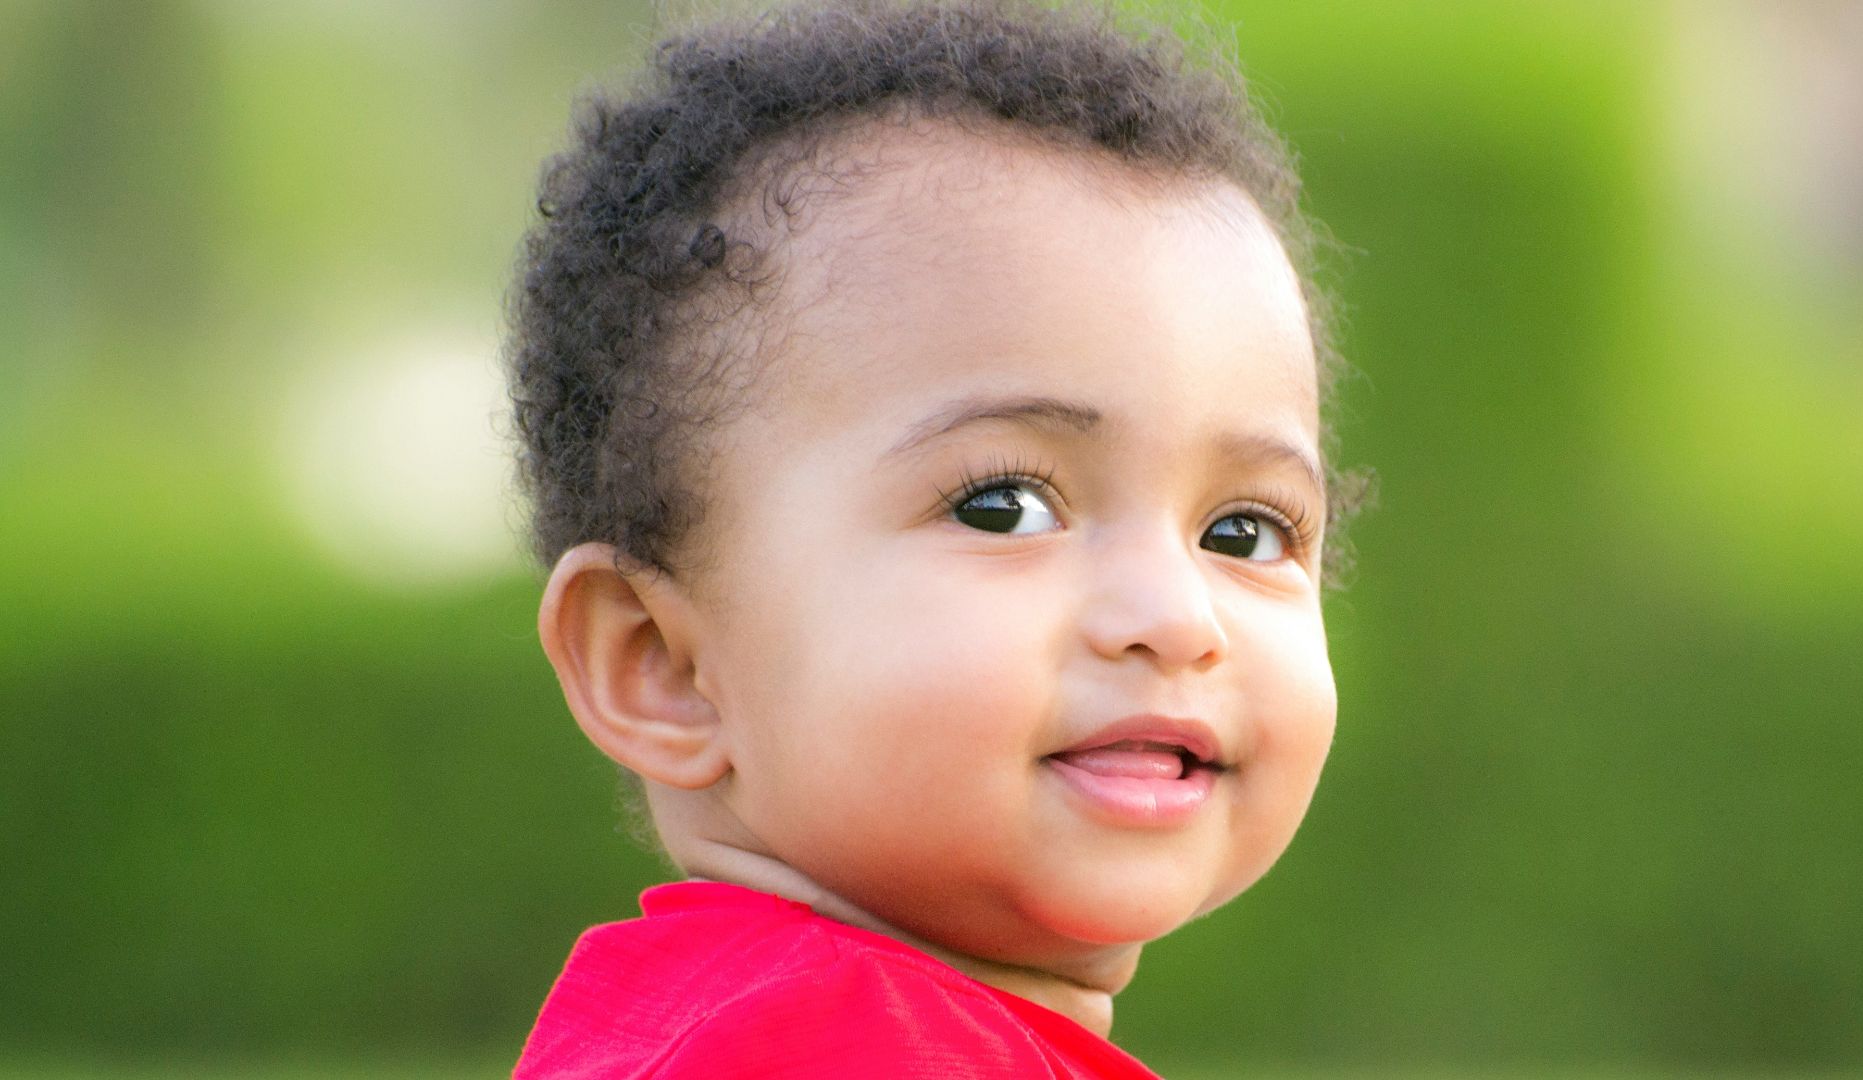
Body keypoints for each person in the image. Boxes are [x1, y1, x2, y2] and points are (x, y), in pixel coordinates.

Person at [508, 1, 1355, 1075]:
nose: (1177, 617)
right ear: (664, 666)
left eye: (1245, 530)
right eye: (1005, 506)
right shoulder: (838, 1048)